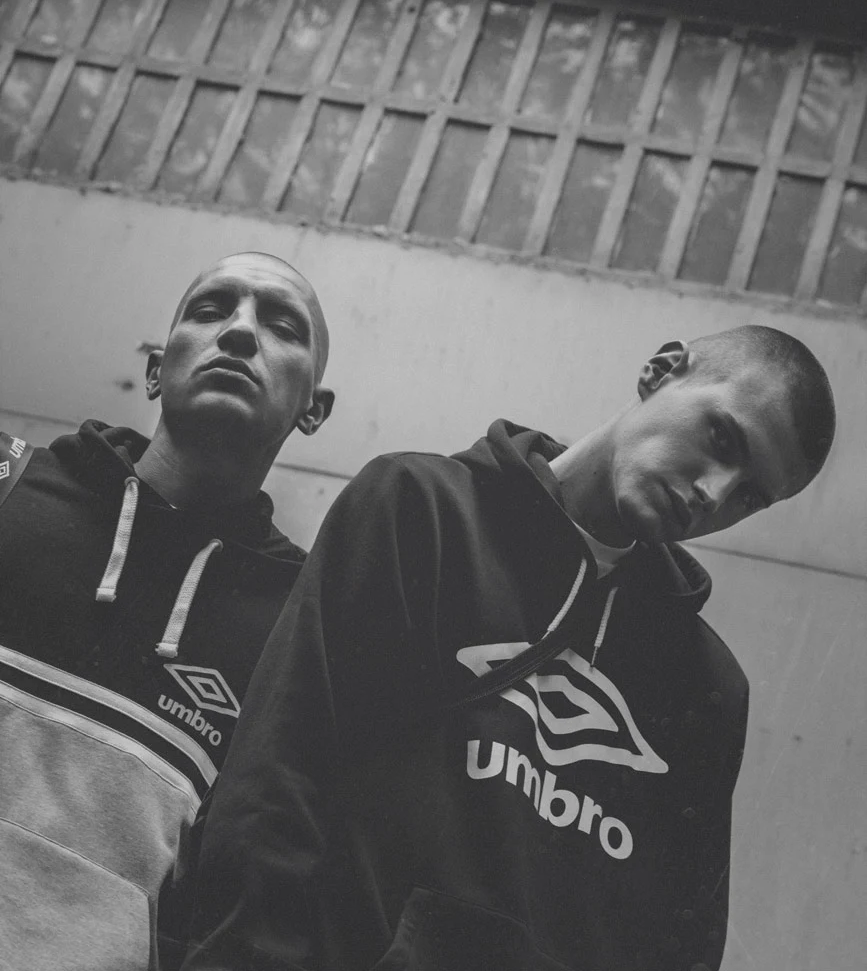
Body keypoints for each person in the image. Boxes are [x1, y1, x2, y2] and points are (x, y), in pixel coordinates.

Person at [182, 324, 835, 971]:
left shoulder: (705, 687)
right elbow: (281, 775)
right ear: (660, 371)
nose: (714, 493)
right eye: (721, 438)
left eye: (749, 495)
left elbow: (677, 946)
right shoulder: (420, 510)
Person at [0, 251, 334, 971]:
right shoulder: (8, 479)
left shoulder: (304, 623)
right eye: (210, 311)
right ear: (156, 371)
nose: (239, 332)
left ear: (314, 408)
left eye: (282, 326)